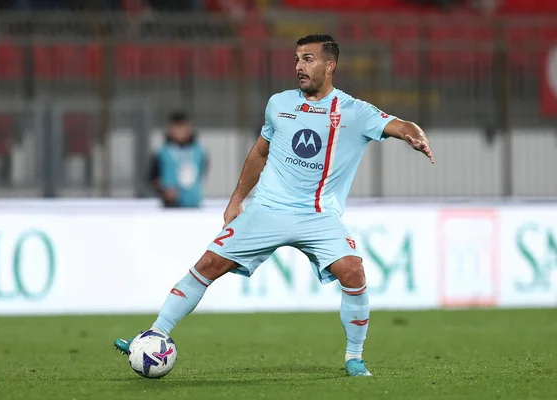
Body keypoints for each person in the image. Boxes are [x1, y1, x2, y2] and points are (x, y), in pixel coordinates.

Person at [116, 34, 434, 376]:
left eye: (308, 59)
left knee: (353, 271)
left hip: (318, 215)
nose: (299, 66)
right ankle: (156, 332)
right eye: (297, 58)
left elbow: (399, 124)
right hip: (267, 209)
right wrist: (237, 199)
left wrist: (413, 134)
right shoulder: (279, 104)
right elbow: (260, 152)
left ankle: (354, 357)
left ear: (330, 66)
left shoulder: (355, 111)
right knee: (209, 263)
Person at [148, 111, 208, 208]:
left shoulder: (199, 152)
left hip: (194, 205)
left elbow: (202, 173)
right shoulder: (162, 152)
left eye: (182, 127)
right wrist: (164, 192)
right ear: (170, 129)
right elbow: (152, 177)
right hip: (171, 206)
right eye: (176, 127)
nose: (179, 131)